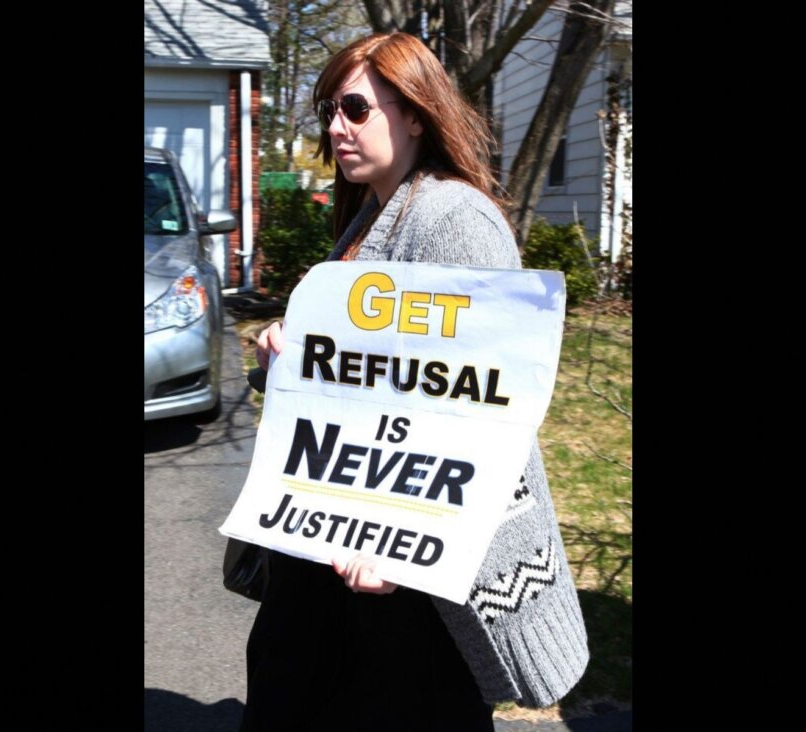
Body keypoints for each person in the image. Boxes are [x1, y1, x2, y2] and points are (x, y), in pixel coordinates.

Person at [241, 32, 588, 732]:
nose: (335, 127)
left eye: (355, 108)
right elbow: (372, 377)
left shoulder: (454, 220)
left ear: (417, 114)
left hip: (397, 584)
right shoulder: (371, 213)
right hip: (329, 552)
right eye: (328, 110)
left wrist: (404, 541)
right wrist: (288, 359)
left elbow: (488, 408)